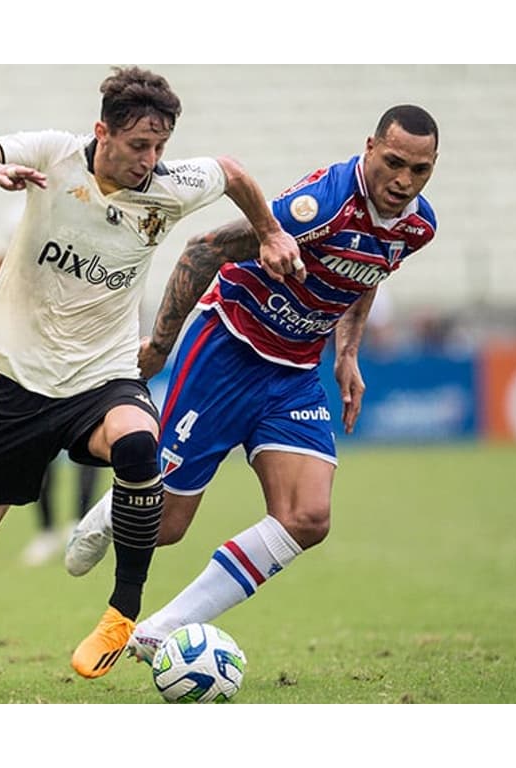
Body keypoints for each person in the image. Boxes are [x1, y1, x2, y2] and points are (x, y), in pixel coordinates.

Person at [0, 65, 301, 700]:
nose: (150, 161)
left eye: (160, 147)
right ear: (103, 131)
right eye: (138, 147)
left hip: (104, 375)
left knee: (137, 446)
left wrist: (268, 230)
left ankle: (121, 614)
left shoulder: (168, 185)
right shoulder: (52, 155)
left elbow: (232, 171)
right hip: (23, 382)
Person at [64, 104, 439, 664]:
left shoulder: (417, 225)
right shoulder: (321, 205)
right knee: (165, 526)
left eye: (420, 170)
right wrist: (160, 347)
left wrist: (349, 352)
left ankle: (160, 628)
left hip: (294, 374)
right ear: (368, 148)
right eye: (393, 163)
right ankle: (115, 507)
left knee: (308, 518)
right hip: (227, 351)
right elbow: (203, 248)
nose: (404, 181)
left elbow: (367, 272)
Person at [0, 231, 103, 567]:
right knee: (38, 441)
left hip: (85, 346)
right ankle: (46, 530)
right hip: (33, 350)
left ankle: (80, 523)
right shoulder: (21, 213)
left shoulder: (96, 205)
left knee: (89, 434)